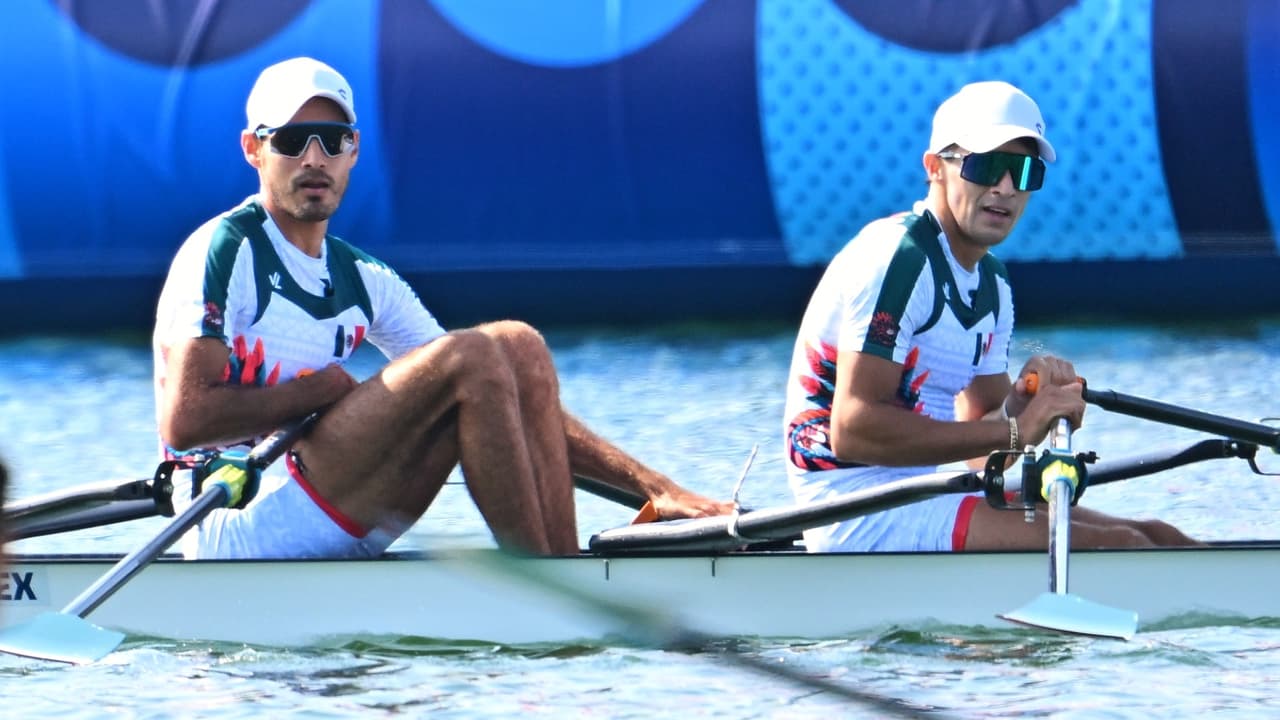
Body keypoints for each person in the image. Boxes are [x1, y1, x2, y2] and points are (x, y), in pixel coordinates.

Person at [153, 57, 730, 560]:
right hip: (231, 518)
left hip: (323, 500)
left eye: (333, 141)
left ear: (354, 151)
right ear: (254, 149)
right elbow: (185, 421)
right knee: (473, 355)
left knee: (516, 347)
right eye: (292, 140)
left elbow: (497, 387)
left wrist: (654, 486)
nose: (314, 159)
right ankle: (545, 590)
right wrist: (314, 391)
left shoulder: (363, 277)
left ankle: (561, 566)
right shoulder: (224, 251)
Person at [782, 80, 1198, 553]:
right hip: (854, 510)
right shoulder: (898, 259)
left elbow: (983, 447)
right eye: (986, 166)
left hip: (925, 493)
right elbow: (854, 430)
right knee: (1124, 547)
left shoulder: (992, 285)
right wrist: (1019, 429)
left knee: (1159, 537)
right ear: (935, 167)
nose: (1005, 188)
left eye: (1024, 172)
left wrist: (1024, 398)